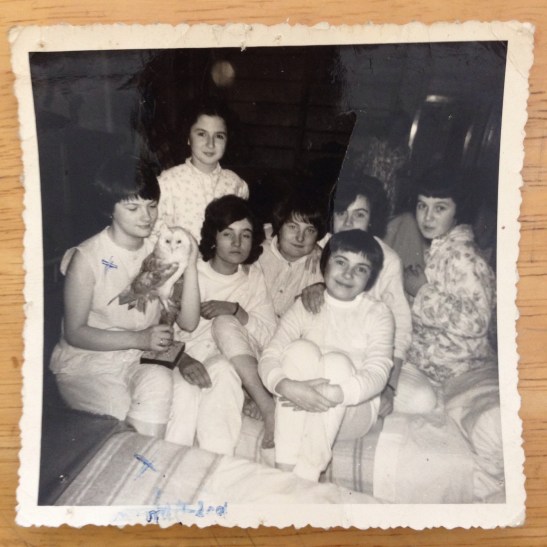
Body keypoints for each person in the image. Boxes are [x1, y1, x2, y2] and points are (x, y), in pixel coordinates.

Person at [50, 155, 200, 438]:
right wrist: (140, 339)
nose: (147, 217)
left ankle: (158, 461)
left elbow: (189, 322)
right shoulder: (88, 258)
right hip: (87, 365)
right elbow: (75, 333)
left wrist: (190, 265)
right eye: (133, 208)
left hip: (137, 359)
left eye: (152, 206)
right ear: (110, 208)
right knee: (126, 425)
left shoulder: (161, 250)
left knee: (182, 393)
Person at [259, 230, 394, 481]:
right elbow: (270, 355)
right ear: (325, 264)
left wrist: (332, 394)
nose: (348, 274)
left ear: (371, 278)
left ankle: (308, 475)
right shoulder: (305, 304)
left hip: (352, 409)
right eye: (341, 262)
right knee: (299, 350)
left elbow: (378, 372)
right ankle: (284, 469)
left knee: (336, 362)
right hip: (299, 400)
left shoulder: (378, 312)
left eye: (361, 269)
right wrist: (286, 386)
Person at [166, 195, 277, 452]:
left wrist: (236, 311)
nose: (237, 243)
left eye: (245, 235)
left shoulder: (253, 277)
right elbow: (160, 329)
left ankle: (218, 461)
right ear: (213, 237)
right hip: (185, 358)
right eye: (228, 234)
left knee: (225, 371)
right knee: (185, 394)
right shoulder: (190, 272)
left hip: (228, 361)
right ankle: (172, 462)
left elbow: (269, 336)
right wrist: (183, 360)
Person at [301, 177, 411, 416]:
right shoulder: (316, 247)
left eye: (359, 214)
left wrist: (390, 387)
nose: (349, 223)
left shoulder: (388, 260)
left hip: (367, 353)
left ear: (371, 219)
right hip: (320, 347)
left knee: (421, 399)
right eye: (341, 213)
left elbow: (401, 328)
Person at [394, 166, 497, 413]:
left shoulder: (464, 257)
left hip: (462, 370)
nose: (427, 217)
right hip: (431, 366)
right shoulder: (437, 250)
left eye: (440, 208)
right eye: (422, 206)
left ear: (457, 211)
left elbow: (476, 321)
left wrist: (422, 292)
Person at [155, 98, 249, 241]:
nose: (210, 144)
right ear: (188, 137)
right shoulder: (167, 182)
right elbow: (153, 232)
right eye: (201, 134)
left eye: (219, 136)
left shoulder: (236, 184)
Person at [258, 192, 327, 319]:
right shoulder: (258, 253)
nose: (300, 238)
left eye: (310, 230)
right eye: (293, 227)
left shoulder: (321, 267)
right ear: (279, 227)